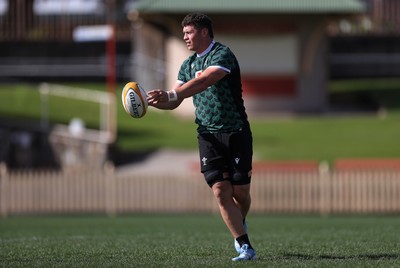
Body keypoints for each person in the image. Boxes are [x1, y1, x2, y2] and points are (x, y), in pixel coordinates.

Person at [147, 13, 256, 261]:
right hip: (208, 135)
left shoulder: (222, 55)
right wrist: (150, 103)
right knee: (220, 191)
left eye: (189, 32)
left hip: (236, 131)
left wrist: (170, 95)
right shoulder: (187, 65)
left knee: (240, 193)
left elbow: (204, 81)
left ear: (204, 32)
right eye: (183, 33)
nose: (185, 37)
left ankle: (241, 219)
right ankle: (245, 246)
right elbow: (175, 100)